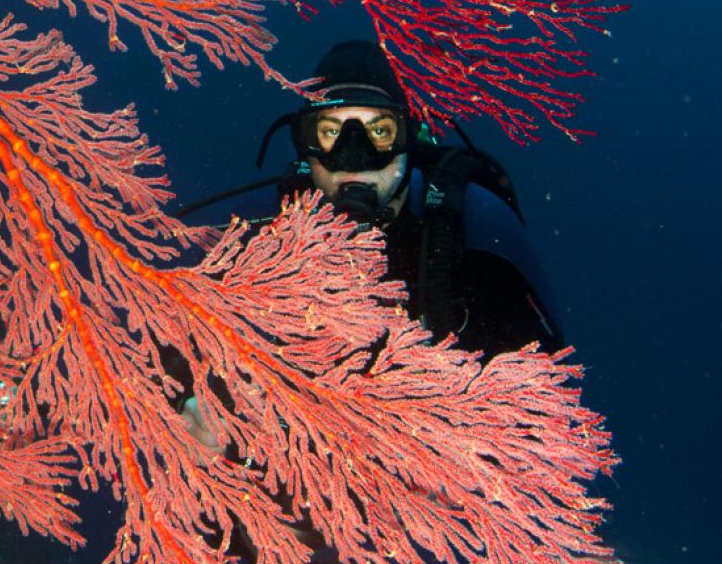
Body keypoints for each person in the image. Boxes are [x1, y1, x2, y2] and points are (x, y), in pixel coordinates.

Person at [180, 38, 564, 359]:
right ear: (305, 143)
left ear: (408, 140)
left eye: (379, 131)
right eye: (331, 131)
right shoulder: (246, 240)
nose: (353, 157)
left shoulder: (479, 239)